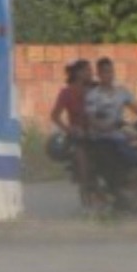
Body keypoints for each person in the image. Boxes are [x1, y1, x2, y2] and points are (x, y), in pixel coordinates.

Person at [84, 57, 137, 186]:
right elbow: (91, 119)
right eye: (105, 72)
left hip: (120, 133)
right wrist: (104, 127)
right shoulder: (93, 96)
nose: (109, 75)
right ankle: (119, 186)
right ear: (99, 74)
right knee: (123, 154)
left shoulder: (121, 92)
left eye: (111, 71)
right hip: (102, 137)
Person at [49, 59, 95, 193]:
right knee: (82, 157)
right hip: (78, 134)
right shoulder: (66, 93)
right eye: (88, 70)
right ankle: (86, 189)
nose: (91, 73)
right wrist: (69, 129)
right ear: (79, 73)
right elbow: (55, 116)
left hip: (98, 130)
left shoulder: (95, 88)